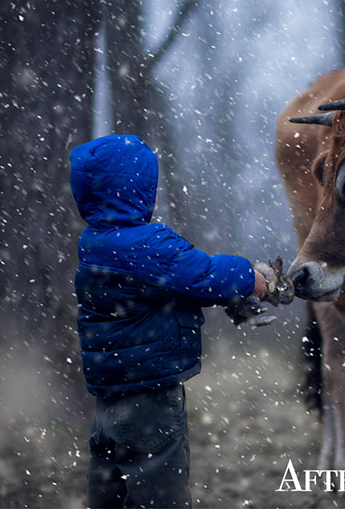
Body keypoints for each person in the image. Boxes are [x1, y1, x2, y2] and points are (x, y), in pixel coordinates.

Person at [69, 133, 268, 509]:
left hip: (108, 406)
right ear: (141, 193)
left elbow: (175, 287)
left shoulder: (94, 243)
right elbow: (202, 275)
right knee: (161, 499)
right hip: (150, 407)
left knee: (109, 498)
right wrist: (249, 276)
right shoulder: (144, 246)